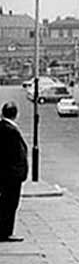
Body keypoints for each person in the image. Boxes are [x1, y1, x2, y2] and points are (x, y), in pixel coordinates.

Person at [0, 101, 28, 242]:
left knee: (6, 203)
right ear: (16, 114)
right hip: (11, 175)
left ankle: (4, 231)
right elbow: (12, 154)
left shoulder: (4, 127)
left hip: (7, 174)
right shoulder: (10, 130)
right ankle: (6, 233)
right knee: (10, 203)